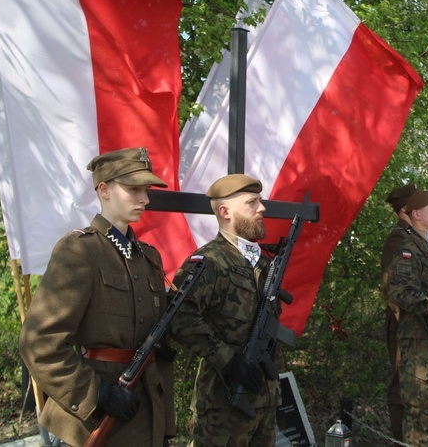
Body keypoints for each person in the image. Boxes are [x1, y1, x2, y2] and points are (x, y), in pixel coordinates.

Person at [18, 147, 176, 446]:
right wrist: (95, 394)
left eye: (145, 190)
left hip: (145, 414)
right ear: (104, 189)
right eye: (133, 190)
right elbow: (38, 342)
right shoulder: (80, 250)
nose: (145, 199)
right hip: (95, 420)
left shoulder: (149, 259)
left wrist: (164, 422)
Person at [169, 174, 282, 445]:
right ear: (225, 211)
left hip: (264, 400)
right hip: (223, 405)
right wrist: (229, 361)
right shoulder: (208, 262)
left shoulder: (263, 264)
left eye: (260, 201)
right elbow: (179, 318)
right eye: (252, 203)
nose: (262, 208)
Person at [387, 190, 428, 446]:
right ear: (417, 214)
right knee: (419, 419)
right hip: (419, 346)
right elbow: (399, 291)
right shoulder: (408, 249)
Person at [380, 182, 416, 440]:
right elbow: (390, 285)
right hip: (403, 324)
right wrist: (405, 320)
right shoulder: (398, 238)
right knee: (401, 385)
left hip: (416, 326)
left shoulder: (417, 237)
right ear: (405, 207)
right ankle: (400, 439)